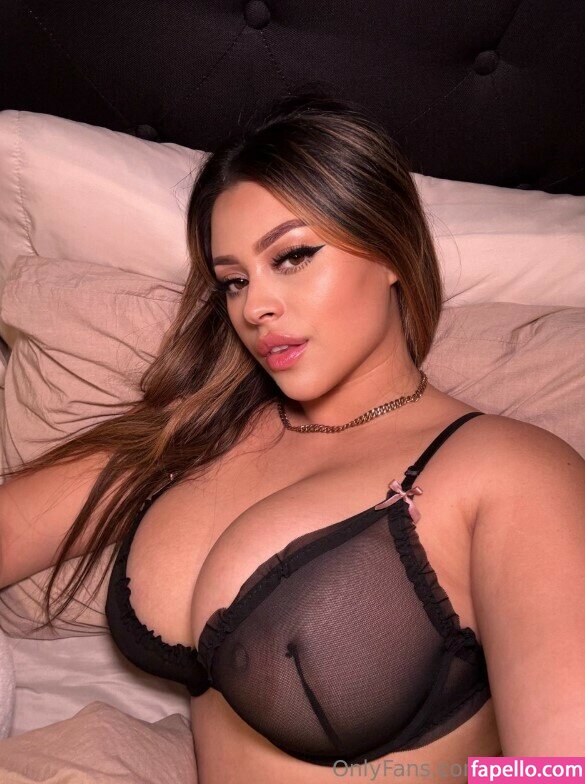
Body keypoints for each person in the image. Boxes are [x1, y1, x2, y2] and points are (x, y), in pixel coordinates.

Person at [0, 92, 583, 783]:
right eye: (233, 281)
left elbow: (557, 770)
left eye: (293, 256)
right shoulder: (199, 433)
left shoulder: (510, 469)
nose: (255, 306)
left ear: (389, 248)